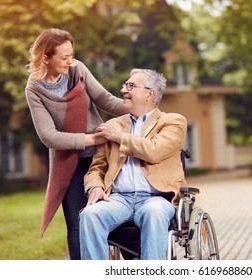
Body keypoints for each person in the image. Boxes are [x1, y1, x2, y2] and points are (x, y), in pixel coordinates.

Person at [25, 28, 127, 260]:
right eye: (64, 57)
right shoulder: (34, 90)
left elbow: (105, 100)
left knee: (117, 214)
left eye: (72, 54)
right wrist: (90, 139)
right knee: (77, 223)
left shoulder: (77, 70)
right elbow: (49, 136)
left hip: (102, 157)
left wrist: (139, 106)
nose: (70, 61)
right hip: (69, 162)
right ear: (45, 58)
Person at [79, 68, 187, 260]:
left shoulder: (173, 122)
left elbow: (154, 150)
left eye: (130, 86)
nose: (123, 90)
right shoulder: (115, 125)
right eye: (124, 85)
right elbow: (97, 168)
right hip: (119, 199)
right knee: (89, 215)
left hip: (156, 198)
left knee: (154, 212)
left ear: (150, 93)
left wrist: (120, 137)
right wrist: (95, 187)